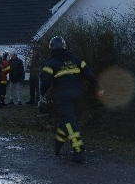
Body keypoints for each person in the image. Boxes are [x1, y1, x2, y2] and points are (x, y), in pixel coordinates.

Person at [39, 35, 101, 163]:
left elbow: (44, 82)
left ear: (51, 48)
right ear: (65, 46)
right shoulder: (77, 60)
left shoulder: (50, 64)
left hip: (62, 99)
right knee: (70, 123)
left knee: (70, 124)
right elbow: (90, 76)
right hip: (78, 97)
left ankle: (78, 151)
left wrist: (42, 95)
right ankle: (58, 144)